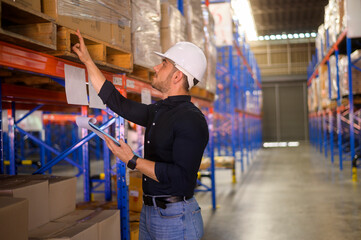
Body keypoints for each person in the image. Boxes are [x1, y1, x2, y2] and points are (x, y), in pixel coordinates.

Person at [73, 29, 209, 240]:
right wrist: (87, 61)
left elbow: (181, 178)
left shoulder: (191, 119)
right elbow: (118, 103)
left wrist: (132, 160)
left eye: (163, 64)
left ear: (177, 75)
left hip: (176, 218)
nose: (156, 67)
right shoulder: (158, 111)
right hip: (150, 213)